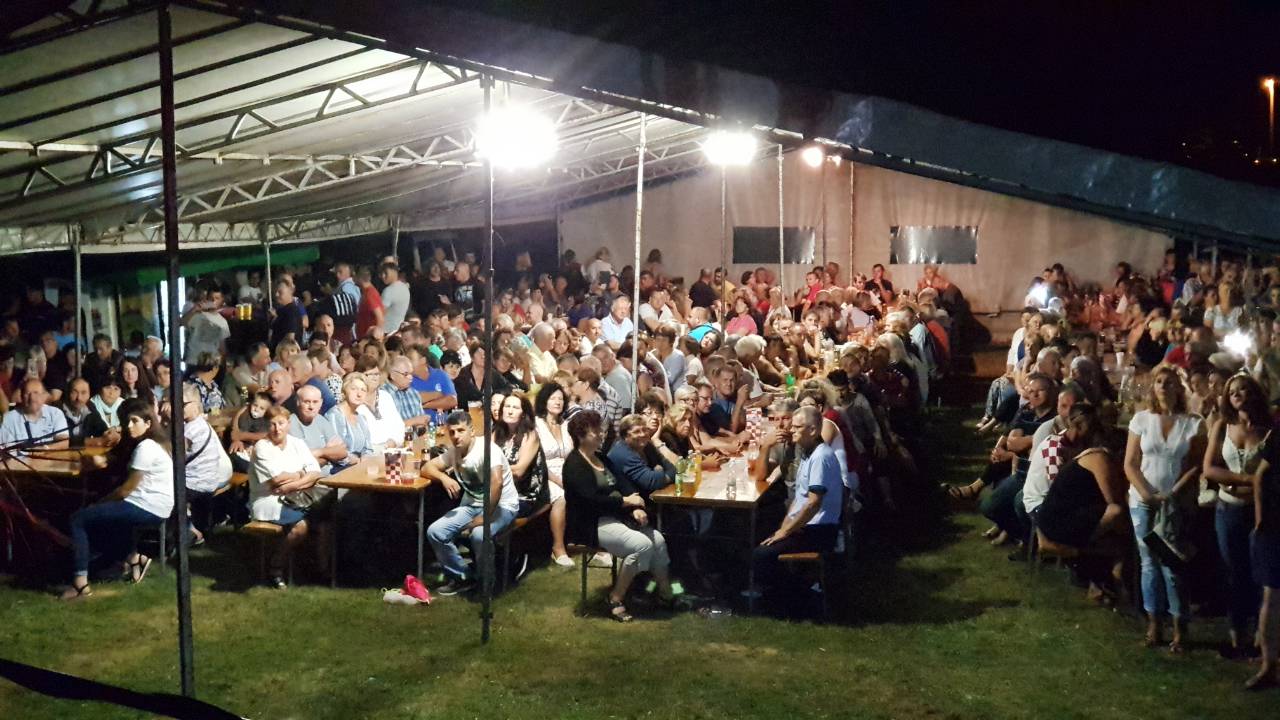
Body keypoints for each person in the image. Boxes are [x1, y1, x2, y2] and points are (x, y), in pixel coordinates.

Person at [562, 410, 676, 622]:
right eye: (595, 431)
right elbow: (590, 500)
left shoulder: (601, 457)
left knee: (658, 540)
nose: (601, 434)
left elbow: (622, 483)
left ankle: (665, 593)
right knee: (641, 545)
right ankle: (615, 598)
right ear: (580, 435)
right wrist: (625, 502)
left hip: (616, 516)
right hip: (591, 523)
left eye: (600, 429)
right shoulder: (574, 465)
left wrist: (634, 507)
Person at [1124, 365, 1205, 653]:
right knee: (1148, 562)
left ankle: (1179, 625)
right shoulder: (1142, 420)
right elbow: (1130, 463)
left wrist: (1173, 493)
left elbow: (1195, 464)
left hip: (1175, 502)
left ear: (1179, 388)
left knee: (1172, 564)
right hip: (1142, 500)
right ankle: (1154, 622)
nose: (1162, 386)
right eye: (1158, 381)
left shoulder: (1193, 423)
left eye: (1169, 382)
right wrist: (1148, 493)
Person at [61, 398, 173, 599]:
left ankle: (80, 584)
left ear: (148, 423)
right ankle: (134, 558)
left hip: (147, 506)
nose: (129, 426)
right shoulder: (152, 443)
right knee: (104, 519)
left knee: (78, 519)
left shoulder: (146, 447)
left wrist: (99, 503)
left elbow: (125, 491)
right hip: (155, 504)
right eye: (126, 421)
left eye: (134, 421)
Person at [1202, 374, 1270, 658]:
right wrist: (1248, 479)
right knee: (1233, 570)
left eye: (1244, 390)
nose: (1238, 395)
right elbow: (1209, 468)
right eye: (1233, 392)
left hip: (1259, 508)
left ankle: (1260, 634)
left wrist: (1252, 485)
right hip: (1228, 508)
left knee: (1259, 571)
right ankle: (1236, 633)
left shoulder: (1268, 430)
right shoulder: (1223, 426)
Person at [751, 406, 844, 604]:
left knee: (761, 555)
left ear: (813, 430)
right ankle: (788, 592)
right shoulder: (807, 454)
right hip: (805, 525)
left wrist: (785, 532)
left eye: (797, 427)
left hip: (819, 530)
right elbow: (798, 499)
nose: (791, 430)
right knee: (763, 537)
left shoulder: (820, 457)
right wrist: (784, 527)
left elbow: (813, 504)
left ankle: (790, 596)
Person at [421, 410, 519, 596]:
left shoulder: (488, 450)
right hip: (472, 505)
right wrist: (444, 478)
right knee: (436, 531)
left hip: (502, 505)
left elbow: (497, 483)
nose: (456, 436)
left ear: (472, 431)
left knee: (479, 535)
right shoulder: (454, 452)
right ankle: (462, 577)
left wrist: (484, 517)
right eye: (452, 432)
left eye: (461, 430)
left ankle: (486, 582)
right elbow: (427, 468)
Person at [249, 405, 332, 589]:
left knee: (326, 518)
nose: (277, 429)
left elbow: (315, 472)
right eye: (272, 424)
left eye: (281, 423)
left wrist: (292, 483)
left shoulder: (297, 443)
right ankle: (276, 566)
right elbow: (276, 480)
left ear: (288, 424)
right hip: (269, 500)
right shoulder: (262, 447)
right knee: (300, 527)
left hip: (296, 494)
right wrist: (302, 474)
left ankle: (322, 568)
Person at [179, 382, 232, 543]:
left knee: (165, 491)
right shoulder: (200, 423)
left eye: (182, 404)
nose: (177, 407)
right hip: (210, 480)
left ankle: (191, 531)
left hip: (197, 485)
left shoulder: (189, 430)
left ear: (195, 405)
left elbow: (174, 457)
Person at [534, 382, 575, 567]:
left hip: (567, 472)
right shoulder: (536, 425)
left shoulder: (566, 425)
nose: (558, 402)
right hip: (544, 474)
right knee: (561, 496)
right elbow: (538, 460)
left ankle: (590, 542)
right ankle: (558, 548)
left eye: (560, 399)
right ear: (544, 401)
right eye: (553, 398)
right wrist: (558, 480)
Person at [496, 394, 549, 517]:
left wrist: (490, 470)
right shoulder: (497, 431)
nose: (510, 411)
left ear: (524, 414)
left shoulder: (530, 435)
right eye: (507, 406)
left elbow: (518, 471)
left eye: (515, 408)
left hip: (524, 496)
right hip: (500, 491)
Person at [607, 413, 683, 498]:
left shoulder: (647, 446)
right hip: (632, 502)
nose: (643, 434)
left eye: (644, 430)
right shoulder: (622, 453)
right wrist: (660, 472)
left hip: (651, 497)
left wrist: (659, 475)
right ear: (625, 436)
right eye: (636, 431)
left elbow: (673, 469)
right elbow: (651, 482)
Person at [0, 377, 69, 451]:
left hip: (49, 457)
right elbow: (6, 451)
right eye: (27, 393)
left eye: (36, 393)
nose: (32, 398)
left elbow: (64, 443)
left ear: (44, 396)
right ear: (21, 397)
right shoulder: (8, 419)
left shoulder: (55, 413)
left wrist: (44, 449)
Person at [324, 372, 374, 461]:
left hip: (360, 465)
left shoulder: (361, 418)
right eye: (354, 389)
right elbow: (335, 451)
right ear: (344, 391)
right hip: (340, 466)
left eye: (363, 390)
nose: (359, 394)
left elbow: (368, 448)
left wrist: (365, 458)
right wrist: (354, 461)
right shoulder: (334, 415)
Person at [183, 283, 230, 366]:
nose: (213, 301)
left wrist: (223, 364)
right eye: (211, 298)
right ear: (206, 299)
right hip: (194, 360)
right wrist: (194, 309)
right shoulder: (197, 315)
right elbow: (180, 323)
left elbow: (222, 348)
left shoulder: (223, 322)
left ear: (222, 301)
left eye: (217, 298)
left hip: (210, 362)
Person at [379, 262, 411, 334]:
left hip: (386, 332)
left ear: (394, 272)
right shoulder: (405, 287)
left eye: (386, 273)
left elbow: (380, 314)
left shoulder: (389, 291)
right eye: (381, 273)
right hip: (398, 330)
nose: (382, 276)